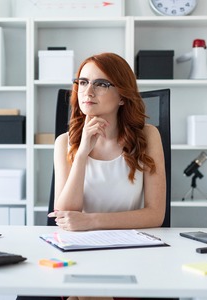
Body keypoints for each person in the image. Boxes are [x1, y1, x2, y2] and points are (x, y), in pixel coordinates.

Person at [48, 52, 166, 300]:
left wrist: (91, 221)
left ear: (123, 96)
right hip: (79, 252)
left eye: (101, 84)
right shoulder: (65, 142)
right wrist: (82, 154)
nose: (88, 91)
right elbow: (64, 213)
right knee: (86, 291)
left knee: (87, 293)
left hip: (130, 253)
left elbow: (155, 214)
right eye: (82, 82)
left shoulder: (148, 136)